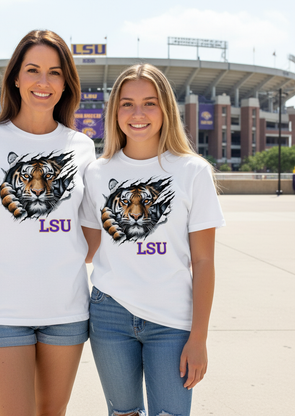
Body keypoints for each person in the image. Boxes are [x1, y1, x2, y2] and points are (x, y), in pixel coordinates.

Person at [0, 30, 96, 416]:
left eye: (55, 72)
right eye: (33, 70)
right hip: (2, 313)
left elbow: (92, 232)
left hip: (66, 311)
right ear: (16, 77)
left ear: (66, 83)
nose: (43, 82)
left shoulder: (82, 147)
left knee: (53, 413)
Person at [80, 64, 225, 416]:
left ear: (166, 110)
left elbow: (203, 261)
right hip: (109, 314)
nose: (138, 113)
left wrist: (199, 338)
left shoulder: (193, 171)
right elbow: (87, 250)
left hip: (172, 321)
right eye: (127, 104)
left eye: (150, 103)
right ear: (114, 111)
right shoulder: (98, 173)